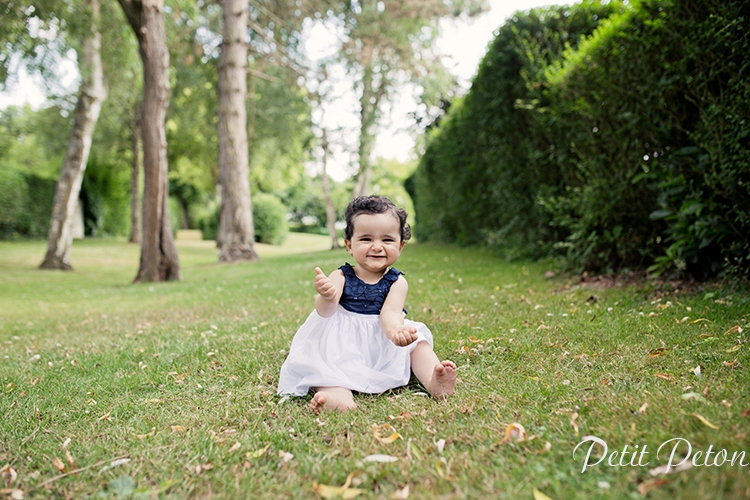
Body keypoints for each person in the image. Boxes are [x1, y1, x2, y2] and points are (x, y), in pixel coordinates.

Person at [277, 195, 456, 411]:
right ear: (349, 245)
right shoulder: (342, 275)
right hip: (343, 342)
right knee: (327, 365)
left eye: (387, 240)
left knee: (418, 342)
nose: (377, 247)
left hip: (382, 337)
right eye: (366, 239)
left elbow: (390, 312)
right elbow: (325, 311)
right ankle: (337, 397)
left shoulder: (397, 281)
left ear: (401, 246)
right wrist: (326, 296)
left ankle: (434, 381)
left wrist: (395, 333)